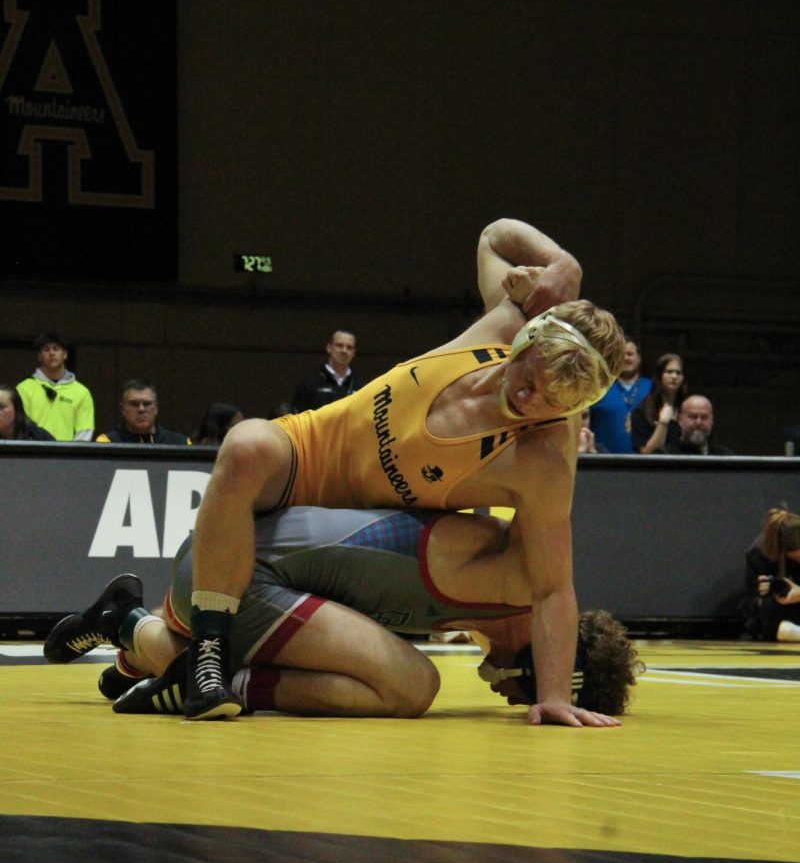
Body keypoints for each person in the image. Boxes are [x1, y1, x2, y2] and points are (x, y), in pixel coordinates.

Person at [185, 217, 625, 724]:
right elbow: (493, 235)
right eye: (529, 380)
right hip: (309, 454)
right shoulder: (501, 324)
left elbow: (550, 587)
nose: (528, 402)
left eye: (550, 404)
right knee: (245, 446)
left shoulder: (540, 460)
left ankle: (134, 635)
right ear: (525, 342)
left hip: (341, 528)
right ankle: (206, 660)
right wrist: (563, 262)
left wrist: (552, 696)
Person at [43, 506, 641, 722]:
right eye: (524, 695)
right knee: (413, 683)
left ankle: (127, 624)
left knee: (185, 663)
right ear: (544, 665)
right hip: (236, 571)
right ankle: (200, 669)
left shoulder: (485, 603)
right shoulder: (504, 563)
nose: (509, 700)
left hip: (243, 576)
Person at [16, 333, 95, 441]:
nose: (51, 353)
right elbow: (21, 427)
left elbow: (84, 432)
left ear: (65, 354)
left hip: (67, 456)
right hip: (34, 454)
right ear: (39, 356)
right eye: (46, 349)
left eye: (56, 349)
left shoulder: (82, 392)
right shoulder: (24, 389)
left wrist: (73, 455)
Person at [743, 505, 800, 641]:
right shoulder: (759, 554)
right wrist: (761, 597)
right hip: (781, 611)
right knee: (767, 606)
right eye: (796, 557)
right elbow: (748, 602)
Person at [589, 337, 651, 453]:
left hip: (644, 464)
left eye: (630, 354)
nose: (626, 358)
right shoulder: (599, 387)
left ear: (639, 358)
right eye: (621, 354)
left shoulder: (651, 389)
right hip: (604, 463)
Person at [95, 379, 191, 445]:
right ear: (122, 409)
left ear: (156, 408)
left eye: (147, 404)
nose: (141, 409)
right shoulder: (107, 442)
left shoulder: (181, 443)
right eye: (134, 404)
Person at [291, 330, 363, 412]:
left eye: (349, 347)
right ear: (329, 348)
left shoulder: (360, 387)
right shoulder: (310, 383)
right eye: (339, 345)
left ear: (353, 353)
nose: (344, 351)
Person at [631, 352, 686, 454]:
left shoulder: (687, 407)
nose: (674, 376)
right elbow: (646, 454)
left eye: (678, 373)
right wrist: (663, 423)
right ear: (659, 375)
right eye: (669, 372)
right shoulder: (641, 412)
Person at [662, 395, 733, 455]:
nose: (698, 422)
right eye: (693, 416)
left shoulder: (725, 457)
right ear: (680, 420)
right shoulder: (666, 455)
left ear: (712, 421)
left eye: (704, 417)